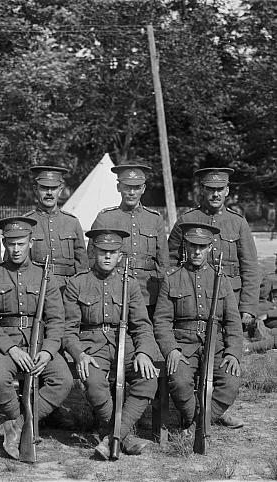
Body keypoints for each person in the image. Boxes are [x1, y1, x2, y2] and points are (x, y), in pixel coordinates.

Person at [167, 168, 258, 429]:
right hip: (191, 297)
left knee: (227, 361)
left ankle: (219, 409)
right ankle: (200, 411)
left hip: (228, 300)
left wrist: (248, 307)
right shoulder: (187, 220)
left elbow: (250, 266)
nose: (215, 194)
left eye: (220, 189)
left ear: (227, 191)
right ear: (202, 191)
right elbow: (170, 260)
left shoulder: (238, 223)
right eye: (210, 189)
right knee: (194, 357)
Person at [61, 229, 161, 459]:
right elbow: (68, 330)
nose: (107, 257)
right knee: (95, 383)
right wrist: (79, 355)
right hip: (92, 347)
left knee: (148, 379)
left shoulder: (131, 285)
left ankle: (112, 437)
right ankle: (125, 436)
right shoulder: (78, 283)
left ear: (120, 256)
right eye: (102, 251)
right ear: (93, 252)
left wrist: (144, 352)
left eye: (113, 252)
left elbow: (143, 326)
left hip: (125, 346)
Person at [0, 216, 70, 460]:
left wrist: (48, 351)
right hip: (6, 345)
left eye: (21, 243)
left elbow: (57, 320)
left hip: (39, 345)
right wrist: (11, 349)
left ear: (31, 242)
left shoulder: (45, 276)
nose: (15, 250)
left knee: (63, 379)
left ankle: (16, 426)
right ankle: (24, 423)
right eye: (10, 244)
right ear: (4, 244)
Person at [154, 222, 244, 433]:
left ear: (210, 248)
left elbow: (233, 321)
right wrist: (171, 349)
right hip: (184, 345)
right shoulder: (171, 279)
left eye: (202, 247)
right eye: (192, 245)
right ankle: (203, 419)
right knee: (179, 380)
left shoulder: (221, 280)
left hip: (216, 345)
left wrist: (233, 353)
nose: (196, 251)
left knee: (230, 382)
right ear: (185, 245)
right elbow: (162, 321)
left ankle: (197, 424)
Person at [90, 163, 168, 304]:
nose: (132, 193)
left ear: (143, 189)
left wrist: (162, 295)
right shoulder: (105, 218)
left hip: (147, 293)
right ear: (119, 187)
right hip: (114, 291)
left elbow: (163, 263)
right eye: (127, 187)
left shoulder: (155, 219)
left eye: (137, 188)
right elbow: (91, 259)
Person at [24, 166, 85, 277]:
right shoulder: (26, 223)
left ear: (60, 190)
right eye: (44, 188)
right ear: (35, 189)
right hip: (37, 286)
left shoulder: (72, 222)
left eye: (54, 188)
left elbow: (82, 264)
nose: (49, 193)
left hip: (67, 288)